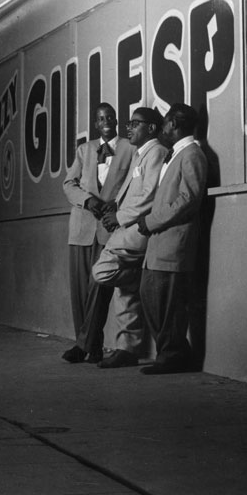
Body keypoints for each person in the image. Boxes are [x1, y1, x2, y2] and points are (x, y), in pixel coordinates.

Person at [91, 107, 169, 368]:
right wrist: (115, 206)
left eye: (136, 124)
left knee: (102, 272)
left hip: (135, 232)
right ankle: (128, 348)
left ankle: (139, 279)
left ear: (152, 129)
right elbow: (134, 192)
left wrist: (120, 217)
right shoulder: (140, 153)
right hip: (125, 228)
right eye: (129, 123)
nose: (129, 128)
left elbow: (150, 197)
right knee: (123, 294)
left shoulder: (156, 151)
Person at [136, 103, 208, 374]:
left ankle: (172, 356)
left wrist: (151, 221)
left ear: (175, 124)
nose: (163, 128)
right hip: (161, 243)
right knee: (152, 296)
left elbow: (188, 200)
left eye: (165, 123)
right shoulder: (177, 154)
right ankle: (175, 353)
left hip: (173, 244)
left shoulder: (192, 154)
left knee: (166, 304)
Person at [61, 103, 134, 363]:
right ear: (95, 123)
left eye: (110, 117)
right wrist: (86, 200)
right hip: (81, 228)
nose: (106, 121)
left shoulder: (130, 147)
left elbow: (133, 183)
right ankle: (92, 346)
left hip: (109, 229)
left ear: (116, 119)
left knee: (99, 286)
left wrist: (117, 206)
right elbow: (68, 184)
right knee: (81, 291)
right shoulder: (84, 150)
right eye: (101, 118)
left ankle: (82, 345)